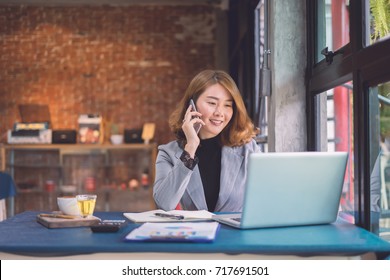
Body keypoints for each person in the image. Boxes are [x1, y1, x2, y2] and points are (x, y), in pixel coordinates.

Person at [153, 70, 260, 212]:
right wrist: (190, 147)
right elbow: (164, 204)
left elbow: (266, 198)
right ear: (192, 105)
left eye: (227, 105)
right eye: (212, 103)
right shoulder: (168, 153)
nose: (220, 112)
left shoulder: (248, 149)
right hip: (195, 233)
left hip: (236, 233)